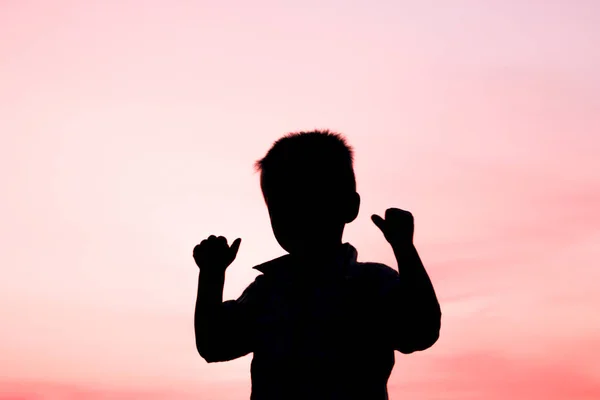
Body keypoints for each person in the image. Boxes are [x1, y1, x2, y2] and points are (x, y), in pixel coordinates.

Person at [193, 130, 441, 400]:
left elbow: (421, 329)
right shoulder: (266, 292)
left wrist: (405, 249)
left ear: (349, 206)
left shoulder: (371, 285)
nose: (298, 216)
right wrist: (211, 275)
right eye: (283, 207)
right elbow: (214, 344)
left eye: (312, 200)